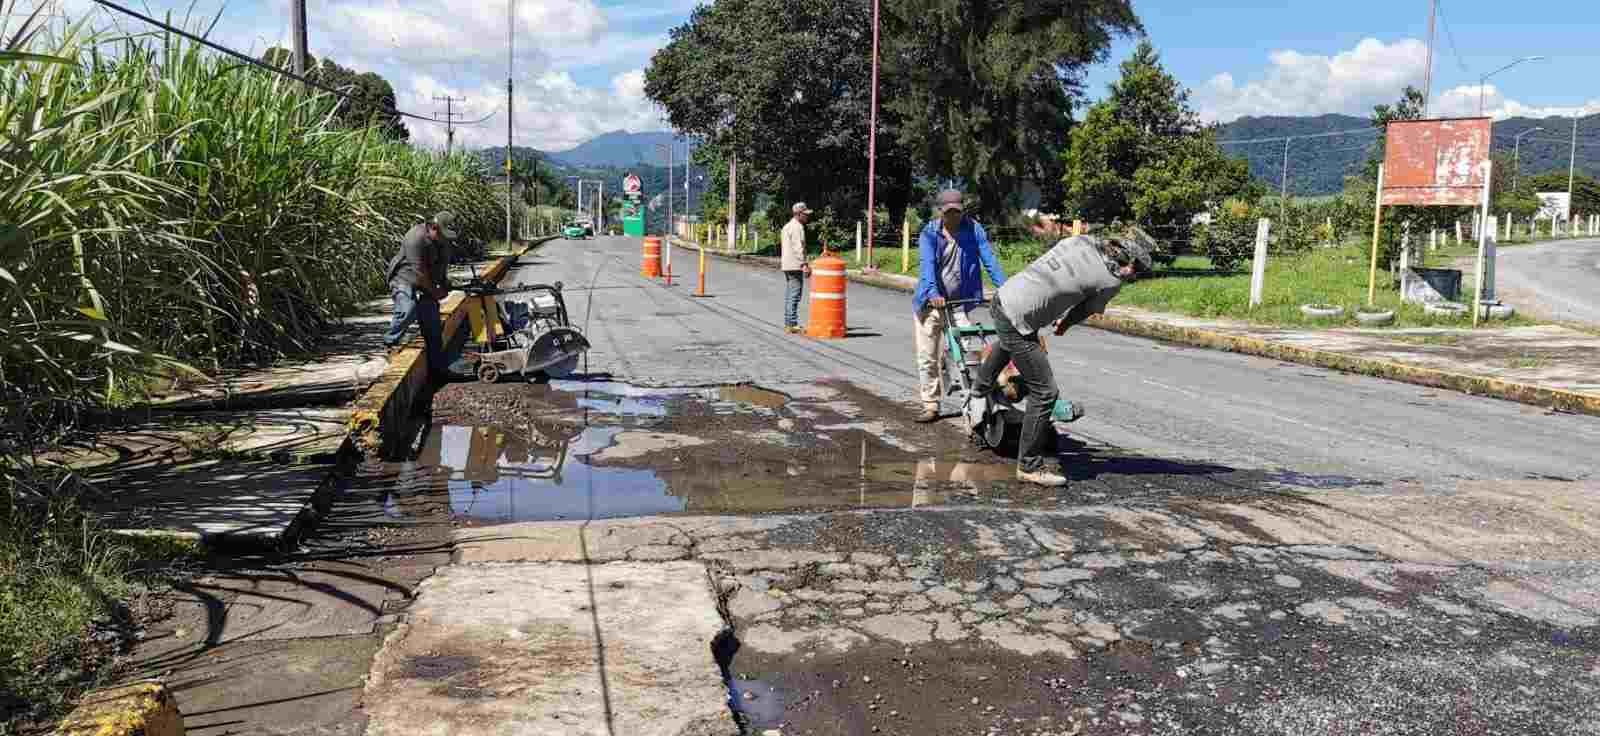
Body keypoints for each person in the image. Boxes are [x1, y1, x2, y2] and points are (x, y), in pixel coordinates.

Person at [971, 227, 1152, 486]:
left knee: (1011, 339)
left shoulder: (1081, 240)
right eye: (1137, 270)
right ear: (1130, 264)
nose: (1134, 276)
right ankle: (1029, 465)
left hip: (1004, 298)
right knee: (1045, 391)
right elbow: (1084, 309)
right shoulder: (1111, 281)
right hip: (1018, 318)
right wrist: (1064, 325)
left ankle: (980, 387)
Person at [912, 189, 1008, 423]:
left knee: (967, 353)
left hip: (959, 303)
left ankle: (975, 400)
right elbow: (927, 267)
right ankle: (931, 404)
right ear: (940, 212)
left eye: (957, 211)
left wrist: (1006, 288)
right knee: (927, 356)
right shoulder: (929, 233)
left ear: (963, 210)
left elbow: (989, 260)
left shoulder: (973, 229)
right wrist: (933, 293)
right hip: (930, 303)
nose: (954, 216)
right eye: (949, 212)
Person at [384, 211, 458, 376]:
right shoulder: (414, 238)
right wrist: (435, 291)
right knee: (408, 308)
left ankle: (438, 368)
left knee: (432, 324)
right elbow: (419, 272)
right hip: (404, 278)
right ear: (432, 227)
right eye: (442, 235)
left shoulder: (444, 241)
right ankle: (391, 343)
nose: (445, 239)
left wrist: (445, 285)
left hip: (427, 280)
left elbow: (442, 268)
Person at [780, 202, 813, 333]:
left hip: (788, 265)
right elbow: (798, 248)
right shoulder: (797, 227)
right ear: (799, 214)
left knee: (790, 295)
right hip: (795, 265)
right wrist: (804, 264)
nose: (807, 217)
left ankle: (789, 322)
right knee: (794, 295)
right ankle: (792, 323)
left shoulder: (787, 226)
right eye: (805, 214)